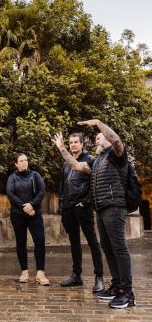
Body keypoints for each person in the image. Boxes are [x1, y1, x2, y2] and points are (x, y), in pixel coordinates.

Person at [53, 120, 135, 309]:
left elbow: (116, 139)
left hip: (114, 206)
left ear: (107, 139)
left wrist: (98, 123)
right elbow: (75, 166)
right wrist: (62, 149)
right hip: (101, 208)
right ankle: (116, 286)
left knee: (119, 248)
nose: (96, 140)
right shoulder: (98, 160)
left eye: (99, 138)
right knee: (107, 247)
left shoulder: (117, 155)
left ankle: (127, 293)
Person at [55, 133, 104, 292]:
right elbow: (63, 186)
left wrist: (86, 201)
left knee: (92, 242)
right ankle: (76, 275)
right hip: (68, 208)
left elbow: (95, 183)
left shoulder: (89, 160)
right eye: (71, 143)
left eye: (76, 142)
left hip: (83, 206)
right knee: (74, 242)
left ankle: (99, 277)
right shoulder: (66, 163)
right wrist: (62, 205)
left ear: (82, 144)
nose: (74, 145)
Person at [6, 153, 50, 285]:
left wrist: (32, 205)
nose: (24, 162)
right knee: (21, 242)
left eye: (26, 160)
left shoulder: (35, 175)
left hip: (34, 213)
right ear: (16, 164)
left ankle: (40, 273)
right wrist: (24, 207)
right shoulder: (12, 178)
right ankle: (24, 271)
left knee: (40, 241)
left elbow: (42, 191)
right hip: (18, 214)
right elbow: (10, 194)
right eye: (21, 160)